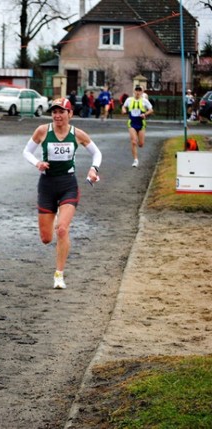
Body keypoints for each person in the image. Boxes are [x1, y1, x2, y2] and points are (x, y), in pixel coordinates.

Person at [22, 98, 102, 289]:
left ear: (70, 114)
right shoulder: (42, 131)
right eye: (54, 112)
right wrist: (37, 163)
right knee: (46, 238)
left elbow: (97, 153)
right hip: (47, 185)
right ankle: (56, 214)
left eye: (62, 112)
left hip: (68, 184)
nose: (57, 115)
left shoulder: (78, 134)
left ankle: (59, 274)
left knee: (63, 229)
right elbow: (26, 151)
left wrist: (94, 169)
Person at [121, 85, 153, 168]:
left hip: (141, 123)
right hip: (132, 123)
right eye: (136, 90)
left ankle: (139, 143)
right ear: (134, 91)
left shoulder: (144, 101)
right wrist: (124, 110)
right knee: (133, 141)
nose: (138, 92)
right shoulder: (129, 100)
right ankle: (135, 160)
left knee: (141, 144)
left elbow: (151, 110)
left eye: (139, 90)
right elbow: (124, 106)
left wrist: (145, 114)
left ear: (142, 92)